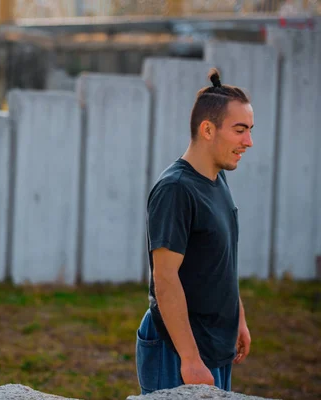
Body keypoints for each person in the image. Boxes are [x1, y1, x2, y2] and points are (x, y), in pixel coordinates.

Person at [135, 69, 253, 394]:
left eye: (250, 130)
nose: (249, 141)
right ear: (207, 129)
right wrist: (189, 358)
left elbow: (221, 259)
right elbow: (165, 278)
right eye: (240, 130)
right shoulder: (175, 189)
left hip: (216, 342)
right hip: (178, 349)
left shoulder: (217, 178)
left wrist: (237, 318)